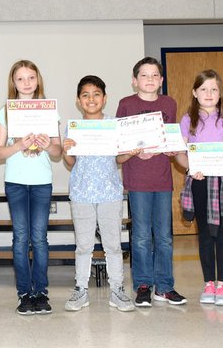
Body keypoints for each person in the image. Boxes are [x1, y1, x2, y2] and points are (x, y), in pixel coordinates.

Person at [115, 56, 186, 307]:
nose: (150, 80)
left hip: (163, 180)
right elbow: (119, 146)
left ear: (161, 80)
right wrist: (133, 151)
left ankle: (165, 286)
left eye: (155, 75)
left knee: (165, 236)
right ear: (135, 81)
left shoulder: (170, 103)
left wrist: (171, 149)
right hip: (137, 181)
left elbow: (171, 138)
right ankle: (143, 285)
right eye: (144, 75)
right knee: (142, 236)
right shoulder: (125, 104)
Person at [62, 75, 135, 312]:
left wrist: (131, 151)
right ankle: (80, 289)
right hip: (82, 193)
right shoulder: (73, 127)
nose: (91, 99)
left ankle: (117, 290)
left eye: (96, 94)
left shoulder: (114, 125)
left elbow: (118, 158)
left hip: (110, 193)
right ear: (78, 100)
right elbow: (71, 163)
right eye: (85, 95)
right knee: (83, 246)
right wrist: (66, 150)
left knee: (113, 245)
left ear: (104, 98)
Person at [175, 70, 223, 306]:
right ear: (195, 93)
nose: (209, 93)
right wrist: (189, 168)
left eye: (213, 89)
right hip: (200, 181)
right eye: (203, 89)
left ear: (220, 93)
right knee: (205, 234)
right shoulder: (188, 119)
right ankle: (208, 284)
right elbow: (180, 153)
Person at [0, 60, 61, 315]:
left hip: (42, 181)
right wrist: (19, 144)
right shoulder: (5, 112)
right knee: (21, 238)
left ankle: (41, 292)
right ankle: (24, 293)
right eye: (20, 78)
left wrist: (46, 145)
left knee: (40, 239)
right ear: (13, 82)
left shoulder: (48, 110)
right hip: (16, 182)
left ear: (38, 79)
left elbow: (57, 150)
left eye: (30, 77)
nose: (26, 83)